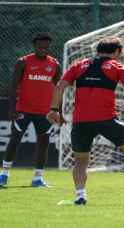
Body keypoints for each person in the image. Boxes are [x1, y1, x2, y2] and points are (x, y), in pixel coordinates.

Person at [47, 37, 124, 205]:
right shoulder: (116, 66)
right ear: (117, 52)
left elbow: (60, 86)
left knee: (81, 160)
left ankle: (80, 196)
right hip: (107, 119)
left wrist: (54, 109)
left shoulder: (79, 65)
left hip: (81, 121)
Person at [0, 33, 61, 188]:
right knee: (14, 140)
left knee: (43, 143)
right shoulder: (23, 62)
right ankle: (4, 175)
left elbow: (58, 89)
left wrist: (57, 110)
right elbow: (13, 86)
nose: (43, 49)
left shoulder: (55, 64)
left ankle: (38, 178)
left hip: (45, 112)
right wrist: (12, 107)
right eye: (40, 46)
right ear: (34, 46)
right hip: (24, 110)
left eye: (46, 47)